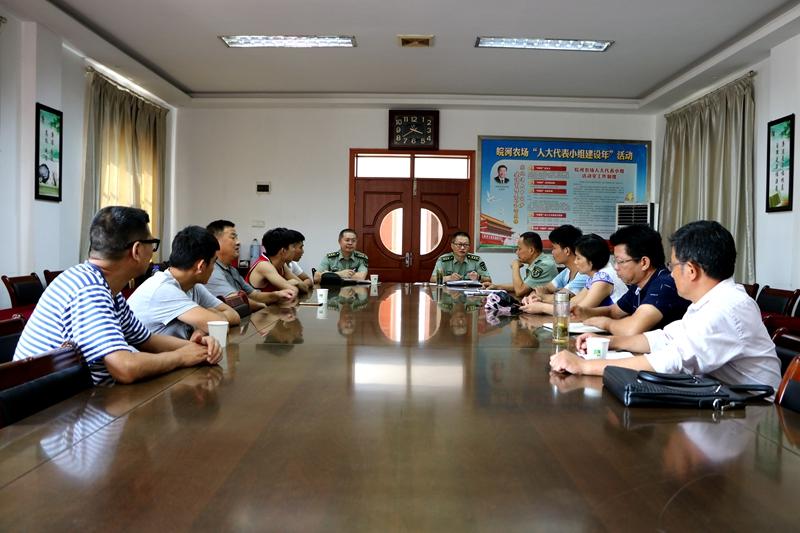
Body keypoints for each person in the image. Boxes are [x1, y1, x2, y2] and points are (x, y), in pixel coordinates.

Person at [550, 220, 781, 393]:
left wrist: (584, 366)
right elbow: (665, 338)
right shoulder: (709, 301)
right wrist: (610, 341)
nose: (670, 273)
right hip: (719, 395)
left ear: (691, 270)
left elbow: (671, 361)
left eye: (673, 265)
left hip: (753, 410)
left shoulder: (725, 308)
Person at [14, 206, 222, 385]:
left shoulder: (108, 289)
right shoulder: (88, 288)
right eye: (152, 243)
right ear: (137, 250)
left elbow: (146, 340)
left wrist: (196, 348)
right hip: (45, 409)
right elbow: (124, 367)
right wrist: (180, 357)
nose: (153, 251)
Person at [570, 224, 690, 335]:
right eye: (615, 261)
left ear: (644, 262)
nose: (616, 267)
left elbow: (633, 328)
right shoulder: (638, 285)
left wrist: (605, 323)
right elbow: (613, 311)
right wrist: (584, 312)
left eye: (620, 261)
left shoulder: (664, 284)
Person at [128, 225, 240, 339]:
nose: (214, 268)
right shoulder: (164, 289)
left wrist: (202, 328)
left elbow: (234, 316)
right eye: (213, 262)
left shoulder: (193, 286)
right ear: (201, 266)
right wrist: (211, 316)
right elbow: (219, 325)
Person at [521, 233, 626, 314]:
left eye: (578, 258)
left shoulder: (603, 278)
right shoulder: (595, 275)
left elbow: (578, 311)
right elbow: (574, 302)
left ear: (591, 260)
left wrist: (542, 307)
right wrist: (540, 299)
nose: (575, 262)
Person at [205, 219, 297, 311]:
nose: (238, 242)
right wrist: (261, 306)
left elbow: (254, 295)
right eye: (233, 238)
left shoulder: (232, 270)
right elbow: (235, 301)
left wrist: (277, 295)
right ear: (216, 242)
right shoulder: (212, 270)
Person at [521, 224, 588, 304]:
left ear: (567, 251)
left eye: (554, 248)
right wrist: (533, 295)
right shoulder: (567, 271)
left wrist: (542, 296)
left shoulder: (584, 274)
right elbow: (546, 288)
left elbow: (562, 298)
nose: (552, 252)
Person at [485, 231, 557, 298]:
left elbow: (519, 290)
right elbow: (524, 286)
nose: (517, 252)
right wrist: (496, 286)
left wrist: (515, 267)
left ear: (531, 250)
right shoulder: (537, 262)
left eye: (519, 249)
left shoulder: (543, 265)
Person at [246, 227, 310, 294]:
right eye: (293, 247)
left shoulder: (282, 265)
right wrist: (293, 283)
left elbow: (305, 288)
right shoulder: (264, 265)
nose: (295, 250)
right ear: (283, 250)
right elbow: (292, 290)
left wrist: (295, 282)